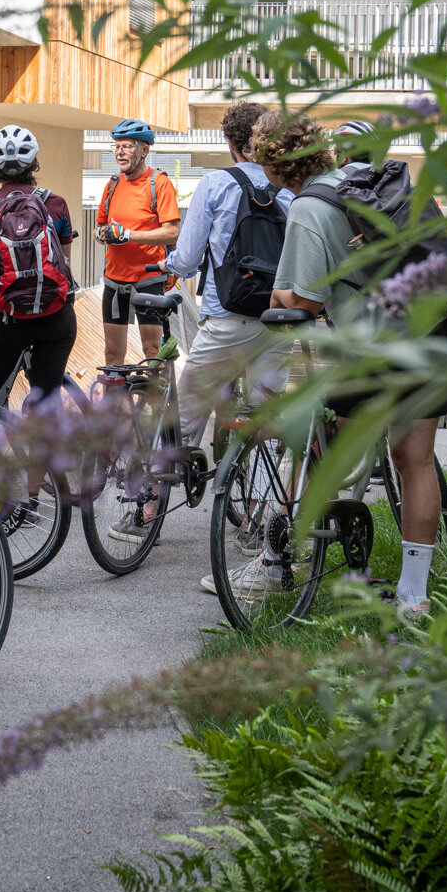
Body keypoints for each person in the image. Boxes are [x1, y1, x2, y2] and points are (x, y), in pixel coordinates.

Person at [259, 112, 447, 620]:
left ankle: (292, 550)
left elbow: (301, 303)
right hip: (434, 329)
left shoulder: (309, 205)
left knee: (329, 442)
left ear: (275, 164)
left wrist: (279, 292)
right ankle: (414, 596)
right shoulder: (380, 182)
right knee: (414, 459)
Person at [160, 103, 296, 581]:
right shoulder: (289, 191)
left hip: (227, 320)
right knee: (265, 417)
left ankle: (146, 507)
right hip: (279, 320)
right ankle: (255, 521)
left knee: (187, 413)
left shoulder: (216, 184)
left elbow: (189, 255)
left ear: (230, 143)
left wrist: (169, 267)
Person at [0, 125, 78, 402]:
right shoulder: (55, 204)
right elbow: (64, 264)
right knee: (46, 402)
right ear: (33, 164)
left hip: (9, 319)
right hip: (56, 317)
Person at [96, 119, 181, 366]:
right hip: (114, 279)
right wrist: (102, 234)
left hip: (149, 280)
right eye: (116, 146)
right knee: (112, 353)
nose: (119, 152)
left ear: (144, 150)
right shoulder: (112, 184)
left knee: (152, 351)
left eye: (126, 146)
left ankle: (156, 404)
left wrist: (128, 235)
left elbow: (172, 232)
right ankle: (113, 406)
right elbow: (100, 226)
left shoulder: (159, 183)